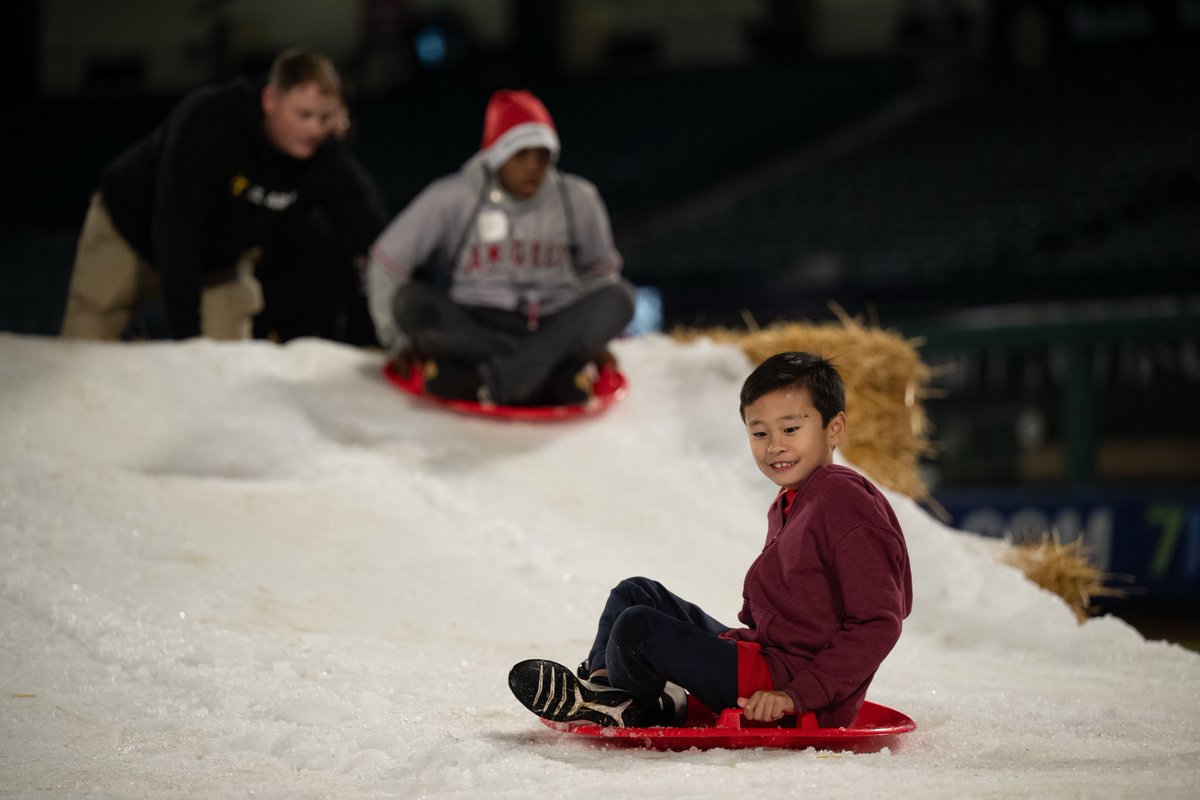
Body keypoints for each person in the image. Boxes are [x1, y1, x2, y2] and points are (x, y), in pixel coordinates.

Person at [508, 352, 913, 728]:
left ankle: (633, 703)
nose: (775, 445)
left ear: (834, 427)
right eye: (759, 432)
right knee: (635, 593)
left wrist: (794, 697)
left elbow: (879, 622)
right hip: (766, 658)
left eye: (791, 428)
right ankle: (606, 693)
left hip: (787, 689)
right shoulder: (794, 500)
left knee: (639, 628)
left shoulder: (842, 499)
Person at [61, 47, 387, 341]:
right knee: (83, 353)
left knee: (227, 368)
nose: (316, 129)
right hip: (129, 232)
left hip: (216, 261)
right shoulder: (209, 123)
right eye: (303, 115)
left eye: (325, 117)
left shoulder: (325, 157)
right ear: (270, 99)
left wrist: (411, 292)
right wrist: (188, 340)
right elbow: (177, 230)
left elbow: (372, 228)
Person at [367, 89, 634, 406]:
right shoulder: (452, 196)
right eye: (520, 155)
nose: (534, 167)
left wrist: (594, 338)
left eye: (543, 155)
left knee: (621, 298)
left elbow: (600, 274)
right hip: (475, 325)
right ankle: (549, 373)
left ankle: (487, 380)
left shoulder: (578, 198)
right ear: (494, 155)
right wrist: (398, 343)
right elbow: (386, 261)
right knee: (411, 302)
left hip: (553, 321)